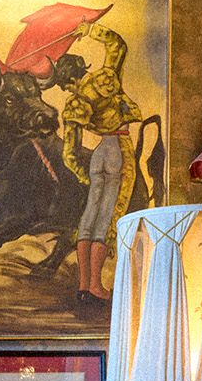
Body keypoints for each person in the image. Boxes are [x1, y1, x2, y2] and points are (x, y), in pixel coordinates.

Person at [51, 22, 144, 304]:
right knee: (108, 216)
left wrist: (84, 175)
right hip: (119, 146)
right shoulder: (104, 78)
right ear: (82, 68)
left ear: (66, 82)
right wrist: (91, 30)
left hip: (99, 153)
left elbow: (69, 153)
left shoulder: (74, 104)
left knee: (89, 218)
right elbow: (118, 45)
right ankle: (96, 286)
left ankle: (83, 286)